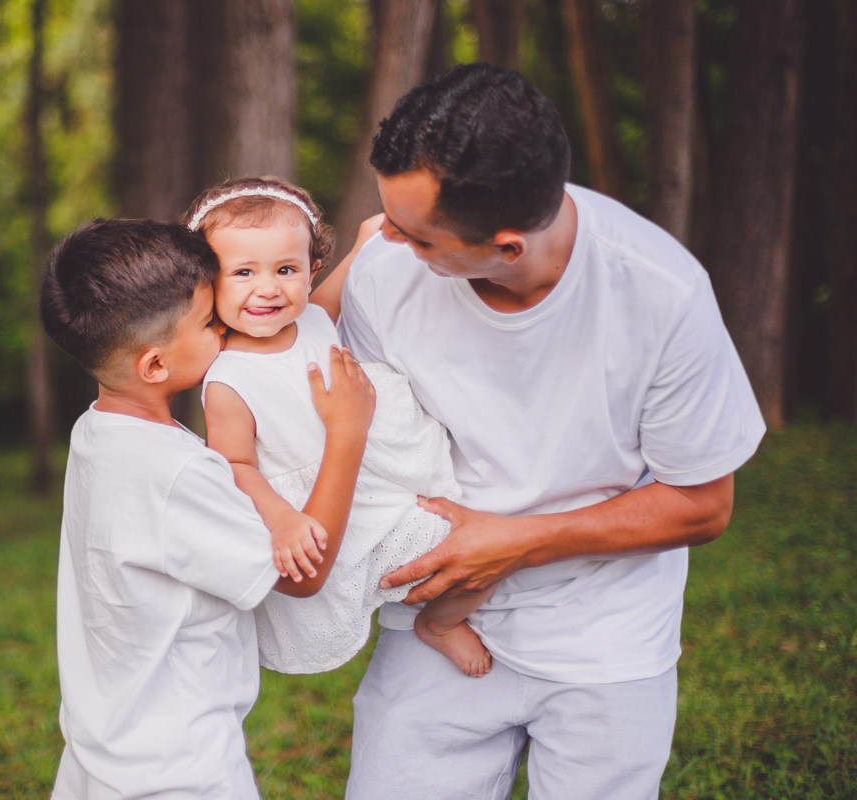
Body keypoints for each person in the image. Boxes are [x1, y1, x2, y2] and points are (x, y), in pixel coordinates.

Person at [338, 64, 766, 799]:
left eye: (416, 237)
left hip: (605, 633)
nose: (388, 243)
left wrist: (512, 542)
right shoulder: (380, 273)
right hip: (434, 617)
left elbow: (703, 503)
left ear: (506, 246)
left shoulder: (661, 294)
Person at [39, 219, 376, 799]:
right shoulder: (178, 474)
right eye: (209, 320)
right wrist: (347, 434)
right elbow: (305, 573)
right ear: (154, 366)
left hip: (100, 757)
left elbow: (286, 326)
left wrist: (356, 258)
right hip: (180, 770)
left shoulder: (96, 433)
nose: (226, 324)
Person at [192, 177, 493, 678]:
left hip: (377, 476)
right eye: (243, 272)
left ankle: (438, 622)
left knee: (478, 554)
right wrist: (284, 521)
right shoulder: (228, 378)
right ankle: (430, 619)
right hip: (320, 504)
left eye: (286, 269)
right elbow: (236, 465)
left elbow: (335, 293)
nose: (268, 287)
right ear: (208, 282)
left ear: (309, 271)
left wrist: (363, 242)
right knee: (456, 553)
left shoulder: (309, 318)